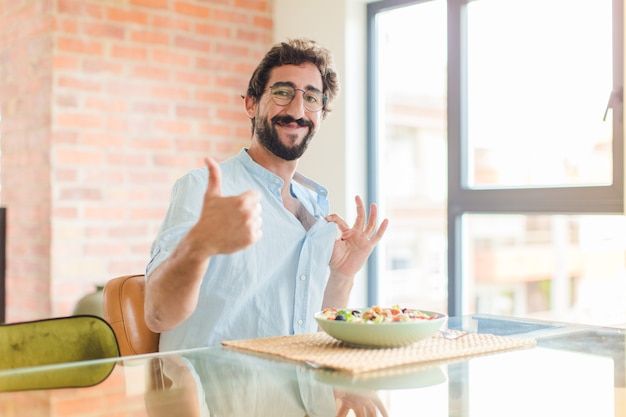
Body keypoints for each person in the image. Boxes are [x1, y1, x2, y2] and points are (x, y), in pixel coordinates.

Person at [144, 38, 389, 351]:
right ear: (251, 103)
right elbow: (158, 317)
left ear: (320, 115)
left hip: (300, 394)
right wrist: (199, 245)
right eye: (283, 92)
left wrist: (342, 275)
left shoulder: (314, 205)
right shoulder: (204, 189)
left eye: (311, 97)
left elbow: (315, 333)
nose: (298, 110)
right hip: (217, 395)